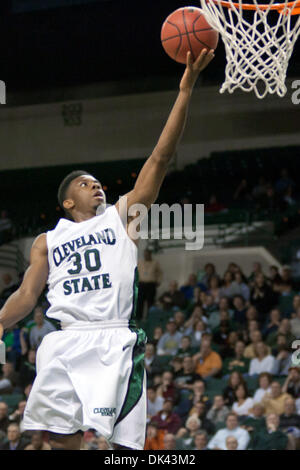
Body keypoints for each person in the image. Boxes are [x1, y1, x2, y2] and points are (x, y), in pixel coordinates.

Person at [0, 49, 215, 450]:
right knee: (59, 440)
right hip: (65, 340)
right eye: (85, 183)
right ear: (67, 202)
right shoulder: (47, 240)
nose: (96, 185)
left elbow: (161, 157)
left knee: (124, 448)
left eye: (98, 181)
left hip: (113, 340)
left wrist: (185, 90)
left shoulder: (122, 216)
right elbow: (28, 295)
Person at [137, 249, 163, 320]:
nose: (146, 256)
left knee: (150, 302)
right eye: (145, 254)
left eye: (147, 254)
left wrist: (159, 281)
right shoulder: (140, 262)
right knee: (140, 302)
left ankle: (149, 318)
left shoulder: (155, 263)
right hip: (141, 284)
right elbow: (136, 272)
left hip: (151, 284)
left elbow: (160, 273)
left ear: (150, 254)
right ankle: (139, 318)